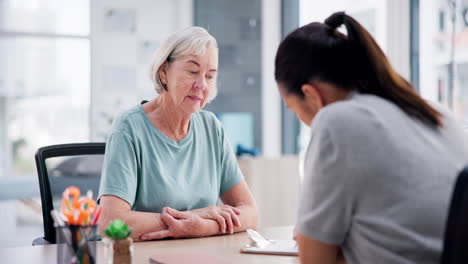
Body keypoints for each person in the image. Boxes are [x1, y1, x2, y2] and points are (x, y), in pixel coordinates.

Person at [275, 11, 468, 264]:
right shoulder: (433, 112)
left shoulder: (337, 121)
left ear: (312, 96)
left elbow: (314, 260)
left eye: (293, 108)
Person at [98, 27, 258, 241]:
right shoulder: (129, 128)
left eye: (210, 76)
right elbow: (111, 224)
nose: (202, 85)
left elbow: (250, 212)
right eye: (192, 72)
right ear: (164, 72)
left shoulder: (211, 127)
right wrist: (193, 218)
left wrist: (202, 227)